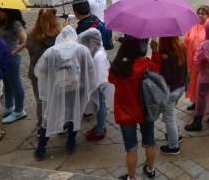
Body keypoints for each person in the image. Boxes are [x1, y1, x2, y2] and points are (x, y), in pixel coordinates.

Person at [33, 26, 97, 160]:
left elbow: (41, 73)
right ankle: (71, 144)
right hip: (75, 89)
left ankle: (41, 149)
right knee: (74, 114)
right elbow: (91, 70)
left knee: (49, 116)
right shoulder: (82, 50)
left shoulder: (50, 52)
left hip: (57, 90)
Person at [109, 37, 161, 180]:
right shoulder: (144, 64)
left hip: (125, 113)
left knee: (131, 147)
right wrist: (155, 50)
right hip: (145, 110)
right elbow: (156, 68)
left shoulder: (117, 67)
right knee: (150, 141)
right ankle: (151, 169)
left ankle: (132, 178)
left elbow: (110, 79)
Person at [26, 9, 61, 131]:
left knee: (40, 99)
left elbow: (30, 51)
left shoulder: (30, 36)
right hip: (54, 72)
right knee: (57, 98)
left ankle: (42, 126)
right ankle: (59, 124)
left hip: (37, 73)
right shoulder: (59, 36)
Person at [78, 28, 113, 141]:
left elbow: (96, 74)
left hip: (99, 84)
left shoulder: (98, 55)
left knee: (100, 105)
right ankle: (101, 126)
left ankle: (100, 130)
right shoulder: (99, 49)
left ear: (92, 41)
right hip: (101, 82)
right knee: (100, 105)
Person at [0, 8, 28, 124]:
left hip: (11, 59)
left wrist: (12, 53)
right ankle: (9, 106)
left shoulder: (15, 23)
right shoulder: (1, 21)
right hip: (1, 58)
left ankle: (19, 110)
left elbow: (24, 41)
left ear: (7, 11)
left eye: (0, 10)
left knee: (15, 83)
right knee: (6, 82)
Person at [158, 36, 187, 154]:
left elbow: (167, 78)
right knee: (171, 114)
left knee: (168, 118)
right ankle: (177, 135)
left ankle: (173, 146)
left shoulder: (166, 56)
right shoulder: (182, 47)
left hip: (171, 90)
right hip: (180, 86)